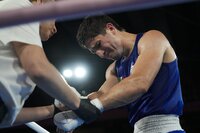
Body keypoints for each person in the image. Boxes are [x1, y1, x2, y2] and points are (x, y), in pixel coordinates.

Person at [54, 14, 185, 133]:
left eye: (98, 44)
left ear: (110, 28)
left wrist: (87, 111)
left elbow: (139, 83)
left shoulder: (152, 39)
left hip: (167, 129)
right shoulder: (113, 69)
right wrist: (75, 106)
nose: (100, 54)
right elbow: (102, 95)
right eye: (95, 52)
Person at [0, 0, 100, 128]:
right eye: (54, 17)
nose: (55, 28)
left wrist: (53, 110)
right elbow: (38, 68)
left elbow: (6, 118)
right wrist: (78, 104)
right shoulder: (20, 6)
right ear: (41, 2)